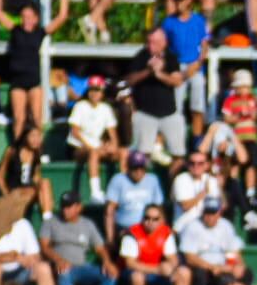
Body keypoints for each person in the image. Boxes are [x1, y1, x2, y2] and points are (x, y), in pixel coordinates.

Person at [0, 0, 72, 138]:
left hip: (33, 81)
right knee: (19, 118)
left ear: (36, 19)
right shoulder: (15, 30)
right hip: (17, 81)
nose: (27, 20)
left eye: (30, 17)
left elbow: (62, 17)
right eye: (24, 17)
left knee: (36, 118)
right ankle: (17, 151)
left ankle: (38, 153)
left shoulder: (40, 33)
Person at [118, 204, 193, 285]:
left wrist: (171, 268)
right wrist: (158, 269)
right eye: (147, 218)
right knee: (137, 276)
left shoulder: (165, 233)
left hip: (156, 273)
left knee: (184, 272)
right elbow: (130, 263)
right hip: (132, 273)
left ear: (161, 220)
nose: (150, 222)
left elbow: (173, 258)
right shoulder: (132, 234)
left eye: (155, 219)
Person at [41, 191, 116, 285]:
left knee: (111, 274)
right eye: (64, 206)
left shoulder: (87, 224)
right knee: (63, 272)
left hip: (82, 267)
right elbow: (44, 246)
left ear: (79, 207)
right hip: (60, 266)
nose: (65, 210)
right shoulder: (51, 222)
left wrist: (107, 261)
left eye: (69, 206)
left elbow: (100, 248)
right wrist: (58, 259)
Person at [125, 28, 186, 167]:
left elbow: (177, 81)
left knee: (178, 155)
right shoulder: (141, 57)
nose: (151, 46)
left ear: (164, 43)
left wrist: (159, 74)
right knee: (142, 155)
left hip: (169, 113)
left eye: (155, 42)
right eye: (149, 42)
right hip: (145, 113)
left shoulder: (171, 58)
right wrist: (148, 71)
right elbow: (130, 80)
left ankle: (173, 184)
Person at [178, 199, 252, 285]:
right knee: (200, 275)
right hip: (201, 267)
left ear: (219, 213)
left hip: (222, 267)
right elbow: (190, 257)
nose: (210, 217)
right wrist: (212, 267)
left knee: (243, 274)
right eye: (207, 213)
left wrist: (236, 266)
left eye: (213, 213)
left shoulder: (226, 226)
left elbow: (233, 251)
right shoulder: (192, 226)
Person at [160, 0, 211, 139]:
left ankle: (197, 138)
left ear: (189, 0)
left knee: (198, 105)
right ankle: (176, 138)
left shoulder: (198, 20)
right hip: (177, 67)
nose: (179, 2)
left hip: (195, 66)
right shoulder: (169, 22)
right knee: (176, 107)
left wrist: (198, 63)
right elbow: (164, 46)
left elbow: (204, 44)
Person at [67, 76, 121, 204]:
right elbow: (75, 132)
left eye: (97, 90)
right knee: (94, 153)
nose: (94, 93)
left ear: (102, 92)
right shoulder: (80, 106)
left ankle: (120, 191)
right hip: (78, 147)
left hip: (96, 146)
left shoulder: (106, 109)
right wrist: (91, 147)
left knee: (122, 153)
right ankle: (95, 193)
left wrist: (113, 145)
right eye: (92, 90)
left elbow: (112, 133)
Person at [104, 150, 163, 243]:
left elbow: (159, 209)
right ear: (128, 167)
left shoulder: (152, 180)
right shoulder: (118, 180)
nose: (138, 171)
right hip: (126, 228)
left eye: (141, 167)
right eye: (135, 168)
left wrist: (161, 232)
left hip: (148, 227)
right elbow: (109, 211)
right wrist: (110, 237)